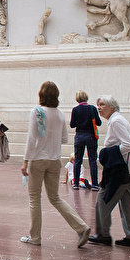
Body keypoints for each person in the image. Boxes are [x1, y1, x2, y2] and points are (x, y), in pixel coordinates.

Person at [20, 81, 90, 248]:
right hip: (54, 160)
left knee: (34, 198)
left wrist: (25, 161)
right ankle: (81, 227)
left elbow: (31, 138)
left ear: (41, 94)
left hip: (38, 159)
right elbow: (64, 139)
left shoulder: (36, 112)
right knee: (55, 198)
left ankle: (35, 236)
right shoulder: (59, 114)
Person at [88, 95, 130, 248]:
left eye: (102, 104)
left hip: (121, 169)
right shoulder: (117, 119)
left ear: (112, 106)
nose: (99, 107)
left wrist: (108, 154)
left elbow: (128, 145)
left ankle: (102, 234)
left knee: (103, 199)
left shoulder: (116, 121)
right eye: (98, 105)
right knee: (128, 202)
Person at [70, 90, 101, 191]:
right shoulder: (92, 108)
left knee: (78, 160)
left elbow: (72, 124)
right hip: (91, 136)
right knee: (92, 159)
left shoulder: (75, 109)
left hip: (79, 136)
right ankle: (95, 184)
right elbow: (99, 122)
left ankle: (75, 183)